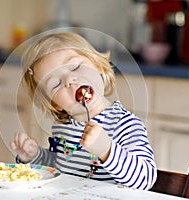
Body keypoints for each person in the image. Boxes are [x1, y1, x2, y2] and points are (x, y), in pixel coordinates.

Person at [10, 32, 157, 190]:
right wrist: (34, 157)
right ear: (55, 104)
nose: (69, 81)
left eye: (75, 67)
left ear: (98, 65)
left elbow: (146, 179)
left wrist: (106, 150)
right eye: (56, 83)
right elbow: (59, 168)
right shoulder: (63, 127)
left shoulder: (124, 124)